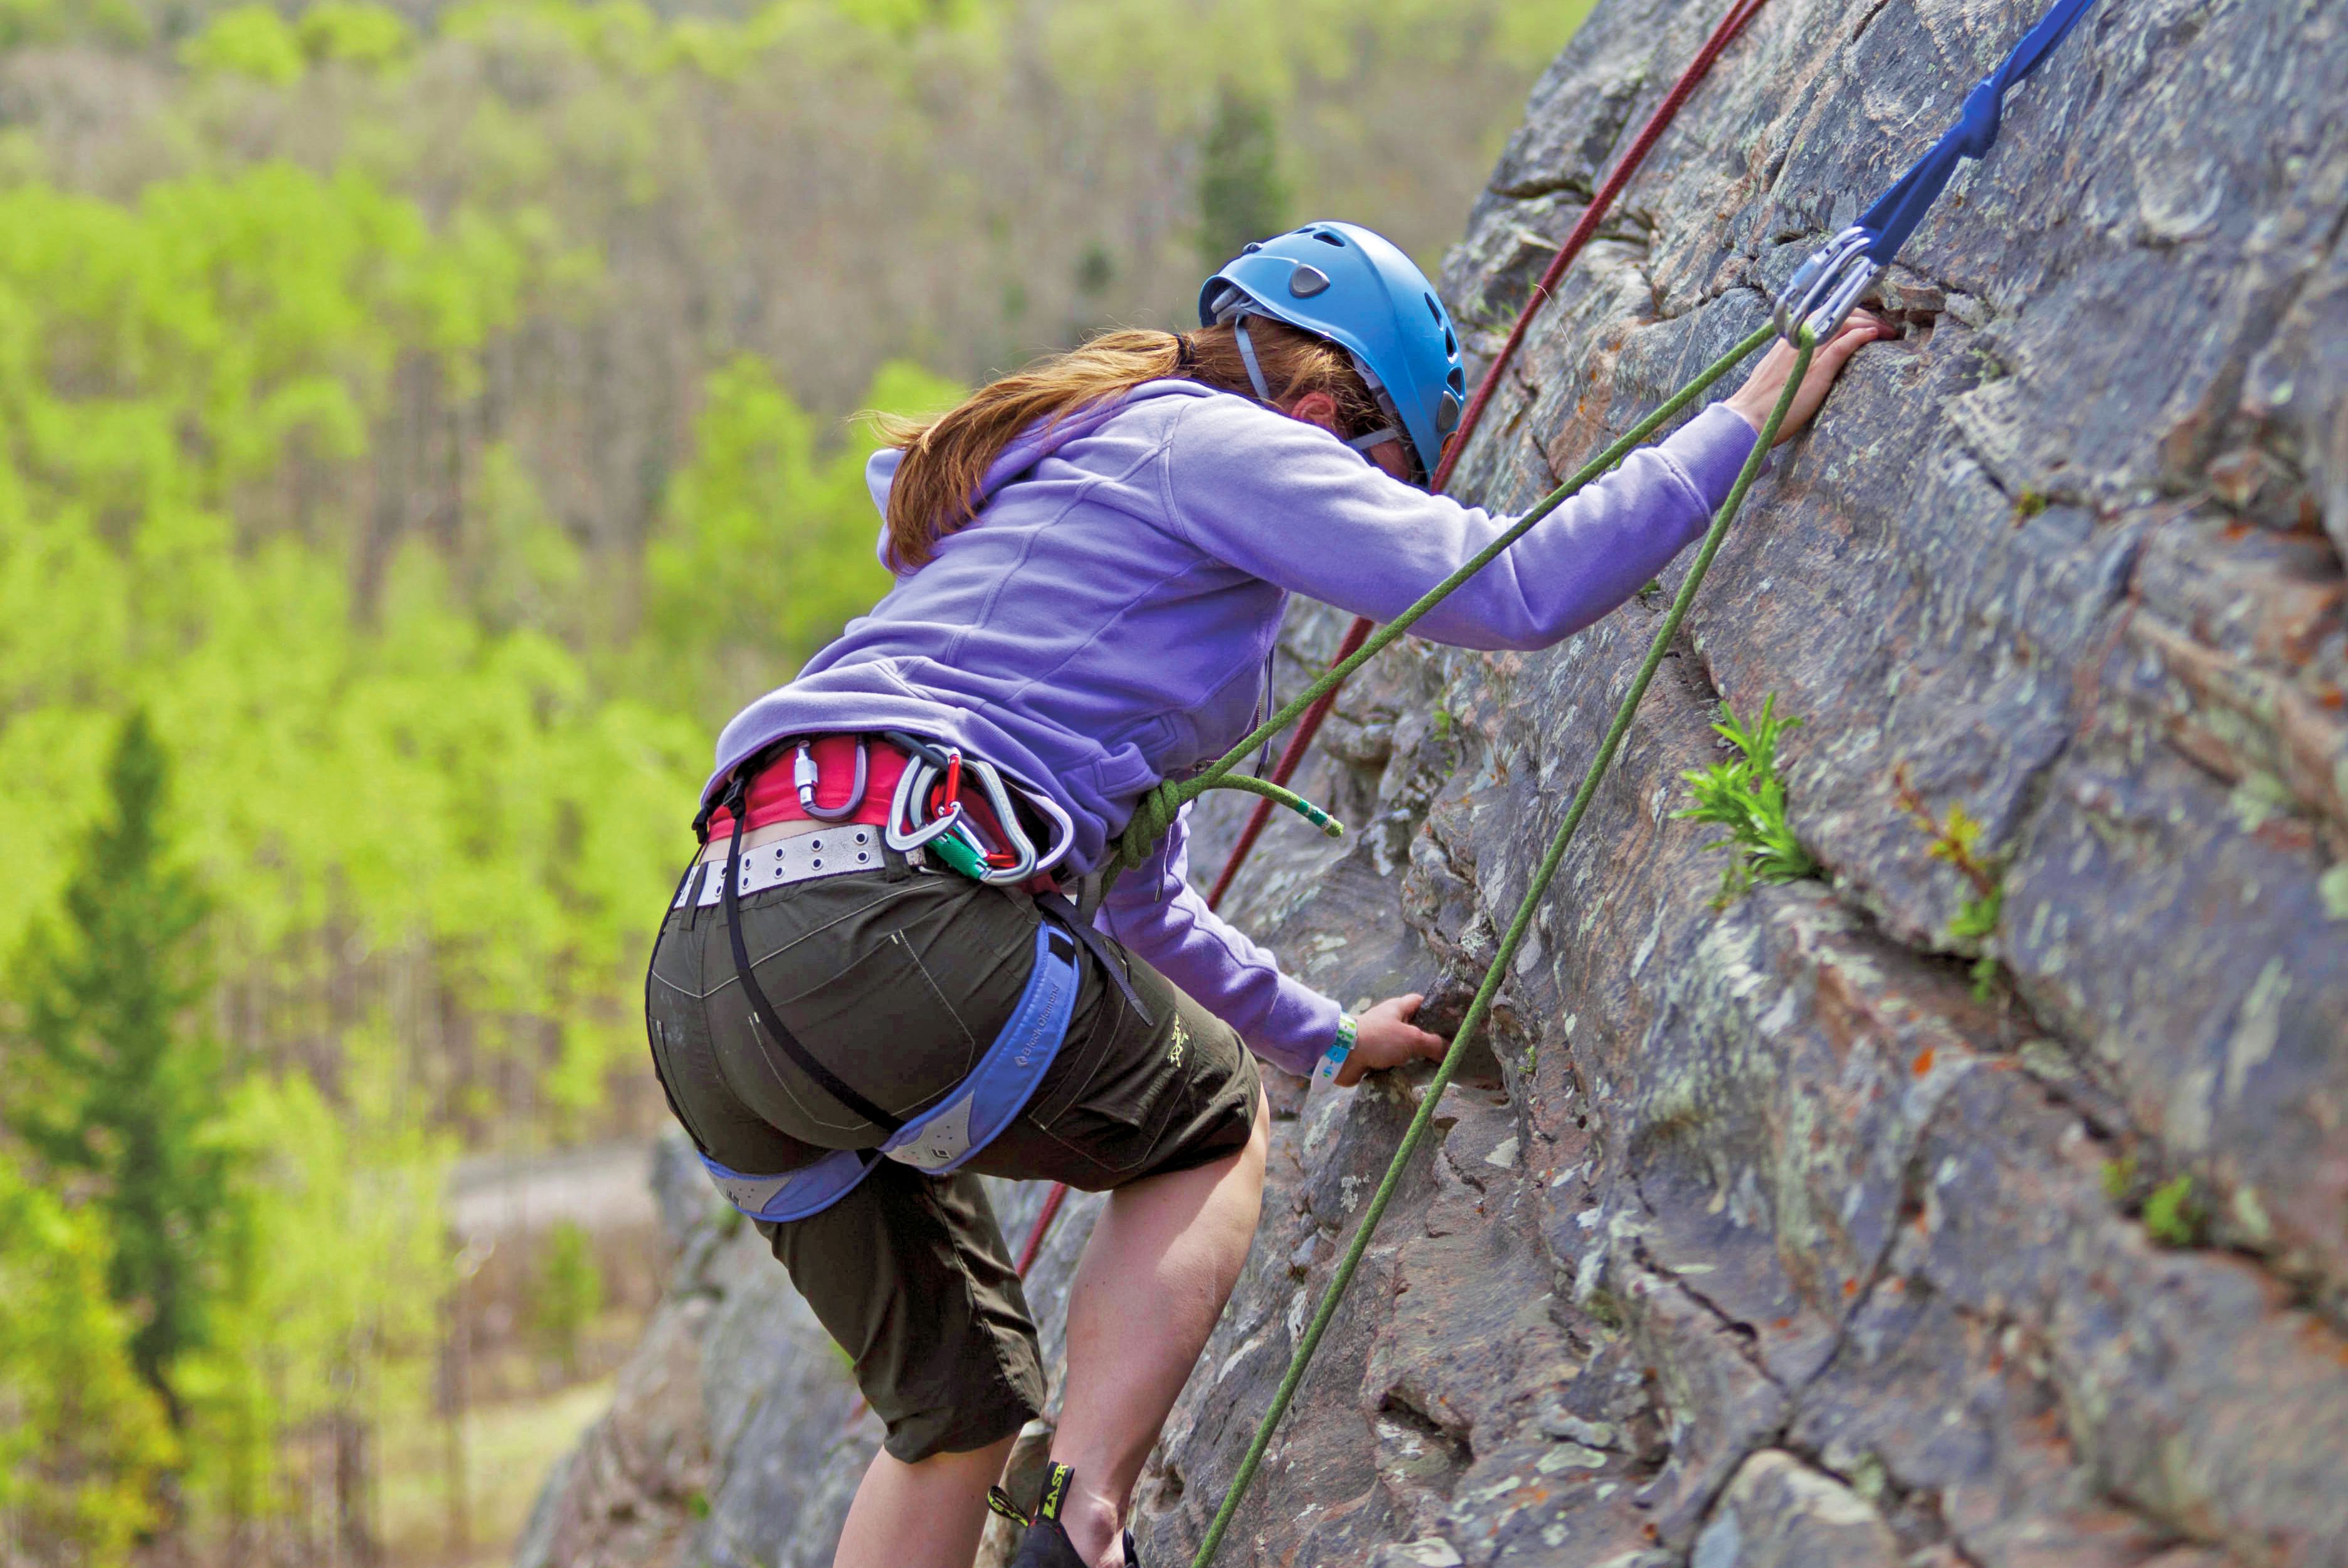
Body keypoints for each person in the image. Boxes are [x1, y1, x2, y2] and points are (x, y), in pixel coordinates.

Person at [643, 221, 1885, 1568]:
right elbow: (1510, 582)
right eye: (1378, 475)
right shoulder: (1223, 442)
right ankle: (1083, 1511)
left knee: (949, 1411)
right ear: (1323, 408)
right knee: (1210, 1121)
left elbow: (1142, 905)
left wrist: (1331, 1037)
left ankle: (1033, 1492)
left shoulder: (1055, 490)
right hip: (893, 922)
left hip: (710, 971)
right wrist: (1746, 417)